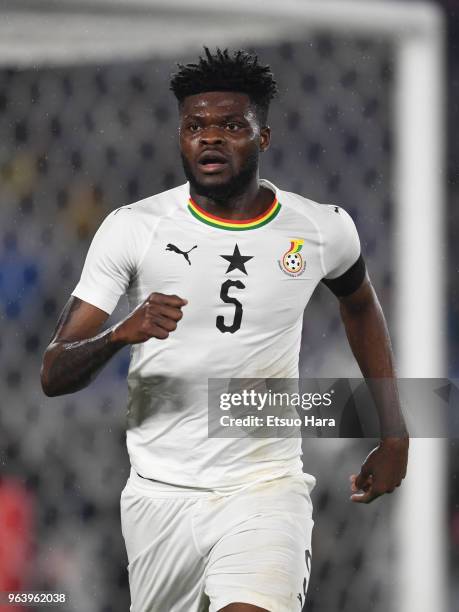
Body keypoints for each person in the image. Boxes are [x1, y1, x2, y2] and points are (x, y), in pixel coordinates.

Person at [41, 48, 408, 612]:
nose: (210, 139)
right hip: (159, 498)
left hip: (265, 490)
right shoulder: (134, 229)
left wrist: (393, 431)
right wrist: (120, 333)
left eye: (231, 125)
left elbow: (360, 305)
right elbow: (53, 371)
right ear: (180, 136)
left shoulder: (320, 227)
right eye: (196, 126)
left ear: (263, 137)